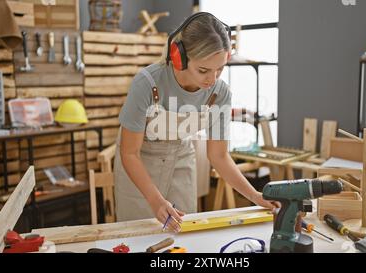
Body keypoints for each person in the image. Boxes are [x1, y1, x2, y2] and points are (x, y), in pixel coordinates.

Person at [114, 12, 279, 232]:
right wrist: (155, 200)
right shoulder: (147, 84)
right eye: (203, 70)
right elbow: (129, 153)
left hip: (181, 160)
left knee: (184, 236)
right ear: (179, 57)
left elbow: (218, 156)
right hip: (139, 167)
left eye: (220, 69)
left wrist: (255, 196)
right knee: (137, 236)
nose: (212, 80)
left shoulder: (219, 94)